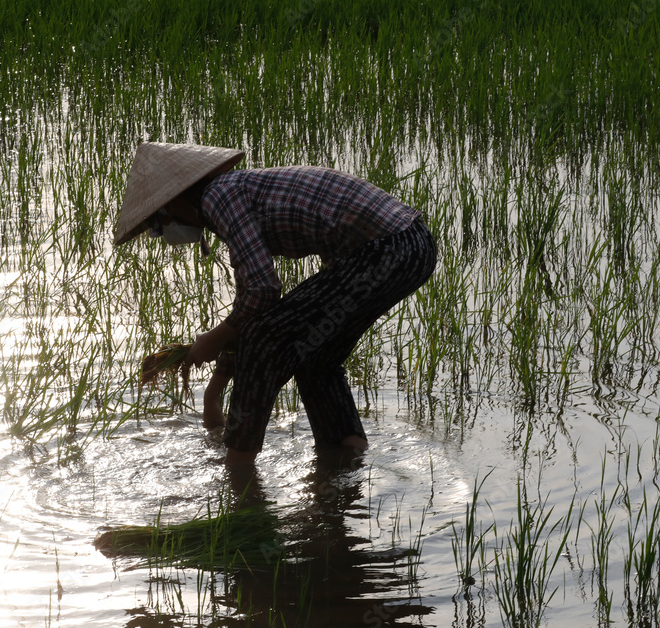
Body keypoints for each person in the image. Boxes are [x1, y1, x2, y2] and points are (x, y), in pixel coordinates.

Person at [115, 142, 437, 465]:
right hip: (407, 246)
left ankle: (238, 474)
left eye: (159, 225)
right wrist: (215, 388)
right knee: (314, 358)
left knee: (265, 340)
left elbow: (264, 290)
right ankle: (345, 467)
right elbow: (253, 308)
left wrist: (213, 338)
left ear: (174, 204)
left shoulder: (218, 196)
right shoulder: (229, 195)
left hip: (391, 248)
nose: (165, 233)